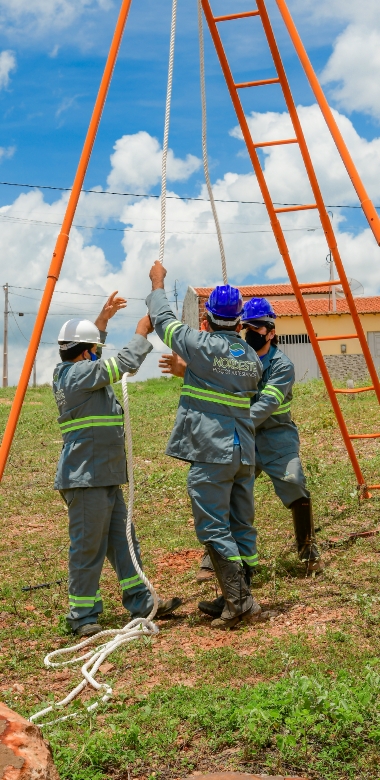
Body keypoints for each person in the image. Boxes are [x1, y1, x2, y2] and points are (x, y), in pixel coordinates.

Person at [160, 296, 322, 598]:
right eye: (247, 325)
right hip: (240, 436)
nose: (251, 330)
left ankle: (307, 548)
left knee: (293, 481)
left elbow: (266, 404)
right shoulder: (239, 355)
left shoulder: (281, 365)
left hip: (274, 437)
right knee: (228, 496)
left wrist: (228, 418)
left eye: (258, 326)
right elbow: (219, 384)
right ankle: (216, 560)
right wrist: (188, 373)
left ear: (271, 332)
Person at [53, 291, 182, 638]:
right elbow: (121, 363)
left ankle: (140, 601)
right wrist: (143, 330)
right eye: (94, 348)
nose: (97, 352)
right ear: (85, 353)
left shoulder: (76, 370)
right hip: (86, 478)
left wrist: (102, 322)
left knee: (125, 543)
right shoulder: (78, 376)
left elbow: (91, 354)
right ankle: (82, 616)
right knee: (88, 547)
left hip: (103, 474)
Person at [147, 261, 263, 630]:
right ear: (240, 321)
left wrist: (157, 283)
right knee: (238, 525)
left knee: (213, 527)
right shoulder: (251, 359)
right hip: (243, 451)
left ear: (208, 317)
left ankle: (240, 603)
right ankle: (237, 595)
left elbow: (164, 321)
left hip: (213, 452)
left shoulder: (201, 345)